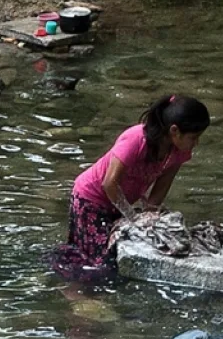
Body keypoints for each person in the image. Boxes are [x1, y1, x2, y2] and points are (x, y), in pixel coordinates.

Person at [53, 94, 211, 280]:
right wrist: (132, 218)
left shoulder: (178, 152)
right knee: (98, 261)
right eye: (193, 138)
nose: (196, 143)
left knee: (111, 253)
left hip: (118, 201)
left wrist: (150, 216)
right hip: (91, 198)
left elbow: (164, 183)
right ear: (174, 131)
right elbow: (109, 182)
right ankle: (66, 276)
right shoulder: (136, 139)